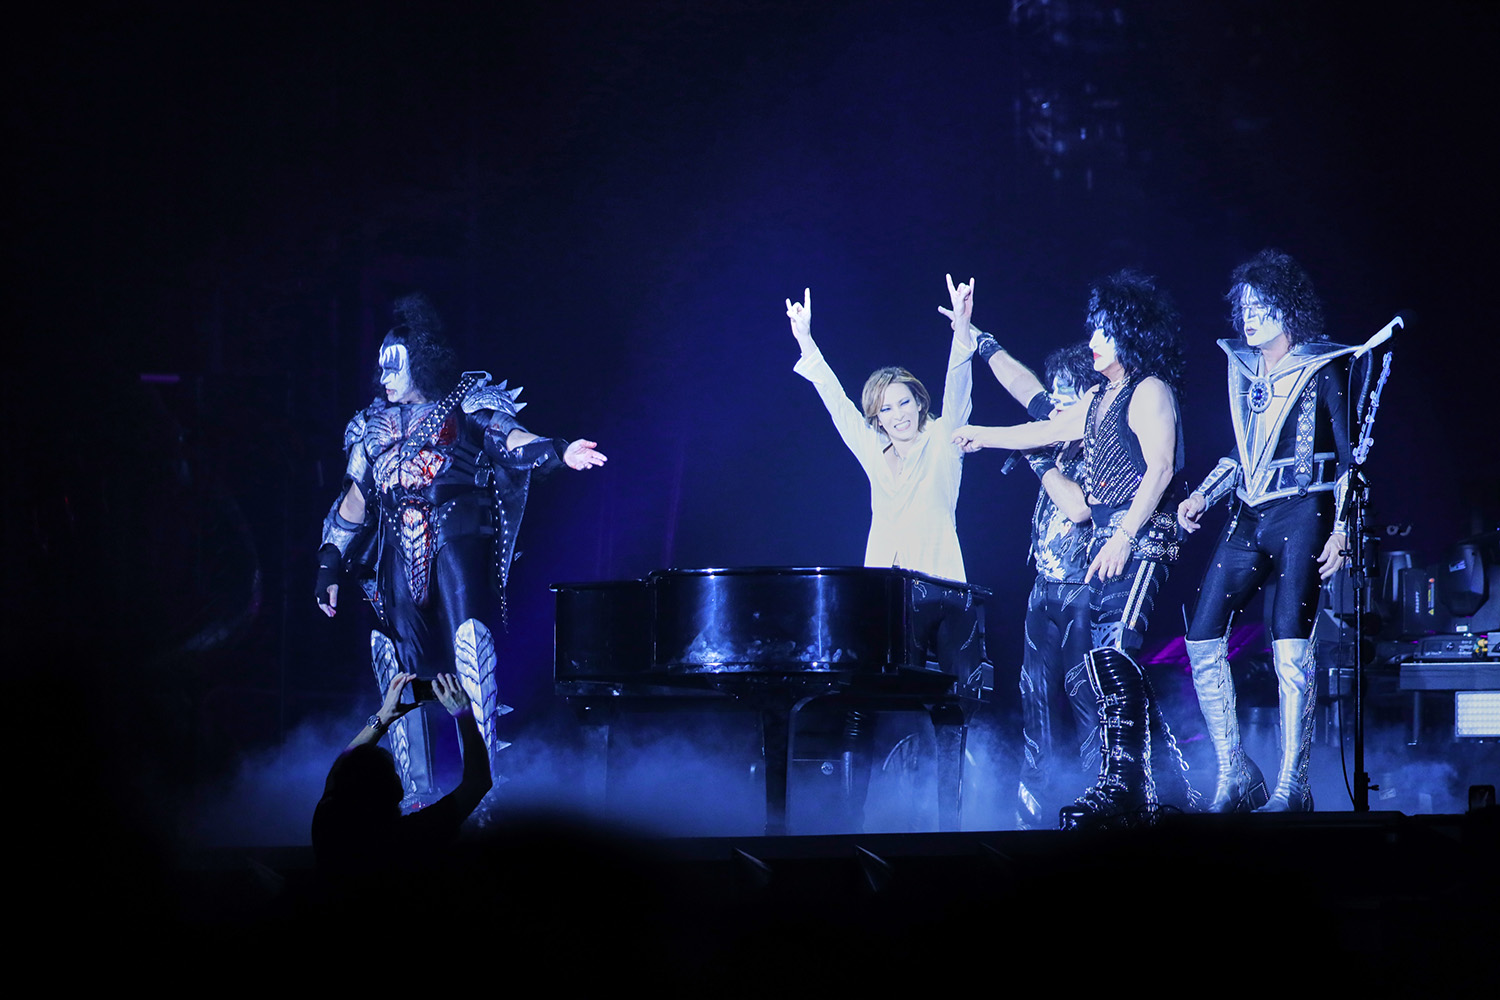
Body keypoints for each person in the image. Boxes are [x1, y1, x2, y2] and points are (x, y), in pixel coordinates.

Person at [315, 293, 606, 800]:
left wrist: (559, 450)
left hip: (455, 542)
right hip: (395, 557)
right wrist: (329, 562)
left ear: (420, 363)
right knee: (399, 667)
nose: (383, 376)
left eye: (394, 365)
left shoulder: (467, 401)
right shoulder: (369, 426)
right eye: (380, 366)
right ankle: (413, 793)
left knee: (471, 652)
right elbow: (354, 500)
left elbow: (510, 440)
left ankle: (484, 786)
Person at [953, 270, 1194, 828]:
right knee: (1104, 661)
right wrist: (981, 434)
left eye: (1104, 332)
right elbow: (1042, 430)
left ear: (1130, 333)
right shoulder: (1099, 398)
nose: (1093, 342)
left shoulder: (1149, 389)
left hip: (1141, 539)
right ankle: (1142, 782)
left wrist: (1124, 536)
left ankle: (1125, 784)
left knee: (1112, 653)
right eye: (1094, 330)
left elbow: (1159, 469)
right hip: (1109, 544)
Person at [784, 277, 982, 830]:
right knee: (863, 705)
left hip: (942, 593)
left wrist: (962, 330)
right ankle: (854, 818)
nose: (897, 415)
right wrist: (807, 342)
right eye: (885, 409)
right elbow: (837, 405)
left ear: (919, 402)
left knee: (948, 708)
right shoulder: (873, 450)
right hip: (886, 599)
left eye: (903, 403)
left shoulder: (944, 442)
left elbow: (958, 388)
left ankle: (950, 825)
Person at [1177, 249, 1363, 812]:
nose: (1249, 316)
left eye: (1261, 306)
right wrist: (1201, 495)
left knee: (1289, 645)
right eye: (1244, 307)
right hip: (1249, 513)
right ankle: (1234, 772)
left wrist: (1342, 532)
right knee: (1201, 637)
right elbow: (1244, 453)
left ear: (1288, 309)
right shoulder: (1244, 370)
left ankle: (1291, 786)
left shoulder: (1324, 366)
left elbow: (1352, 460)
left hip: (1304, 512)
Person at [961, 335, 1105, 828]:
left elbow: (1079, 507)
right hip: (1044, 588)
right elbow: (1023, 386)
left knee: (1087, 700)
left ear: (1091, 396)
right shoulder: (1057, 428)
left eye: (1067, 396)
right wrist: (983, 342)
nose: (1055, 405)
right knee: (1034, 700)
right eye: (1055, 395)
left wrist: (1037, 457)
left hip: (1086, 592)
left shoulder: (1106, 437)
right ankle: (1032, 813)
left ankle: (1101, 803)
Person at [312, 672, 491, 882]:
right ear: (395, 790)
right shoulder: (404, 838)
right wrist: (464, 714)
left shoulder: (328, 826)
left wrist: (384, 716)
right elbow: (477, 783)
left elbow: (340, 772)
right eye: (394, 773)